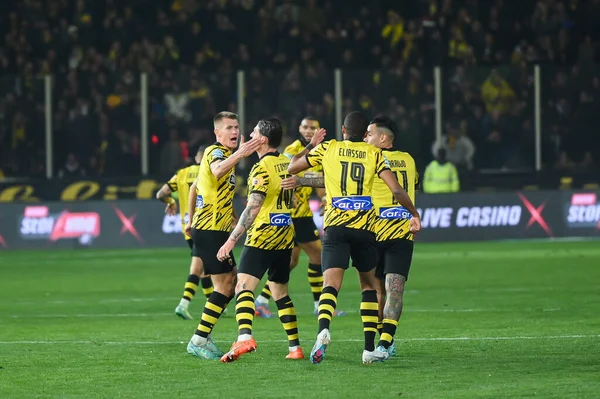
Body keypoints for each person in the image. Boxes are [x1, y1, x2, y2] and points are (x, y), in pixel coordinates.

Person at [287, 111, 421, 365]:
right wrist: (413, 213)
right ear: (365, 134)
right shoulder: (378, 155)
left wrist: (310, 149)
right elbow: (397, 188)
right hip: (368, 229)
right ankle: (372, 347)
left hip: (338, 227)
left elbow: (294, 165)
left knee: (331, 284)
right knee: (371, 287)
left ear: (344, 130)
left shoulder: (330, 148)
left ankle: (323, 330)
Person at [216, 117, 305, 363]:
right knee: (281, 293)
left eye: (254, 132)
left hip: (263, 236)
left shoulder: (261, 167)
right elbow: (293, 197)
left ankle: (244, 337)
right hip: (286, 236)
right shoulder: (286, 163)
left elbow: (253, 208)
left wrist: (231, 241)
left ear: (262, 140)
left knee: (242, 287)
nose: (249, 134)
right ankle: (295, 347)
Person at [185, 111, 266, 360]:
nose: (234, 132)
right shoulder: (215, 152)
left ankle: (201, 338)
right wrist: (241, 153)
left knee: (229, 285)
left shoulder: (228, 155)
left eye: (237, 127)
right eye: (229, 127)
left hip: (216, 229)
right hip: (209, 230)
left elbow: (201, 186)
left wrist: (231, 218)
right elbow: (217, 171)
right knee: (227, 285)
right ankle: (199, 339)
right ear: (217, 132)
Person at [254, 116, 345, 318]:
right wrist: (293, 195)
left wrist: (325, 198)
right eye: (304, 127)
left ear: (319, 130)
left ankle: (261, 301)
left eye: (312, 127)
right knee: (318, 256)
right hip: (295, 215)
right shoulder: (292, 151)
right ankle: (319, 304)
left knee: (291, 262)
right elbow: (284, 175)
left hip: (301, 213)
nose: (308, 130)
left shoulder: (322, 152)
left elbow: (321, 183)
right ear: (299, 128)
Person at [364, 116, 418, 357]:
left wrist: (301, 181)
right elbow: (411, 187)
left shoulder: (372, 158)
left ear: (383, 138)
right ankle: (386, 343)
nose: (366, 138)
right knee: (395, 290)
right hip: (402, 233)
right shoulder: (409, 160)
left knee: (377, 291)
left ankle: (382, 343)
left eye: (370, 134)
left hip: (375, 231)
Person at [155, 145, 215, 320]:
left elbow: (161, 194)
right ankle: (183, 303)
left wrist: (170, 202)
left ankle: (213, 302)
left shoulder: (181, 174)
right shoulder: (211, 172)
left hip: (186, 226)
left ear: (197, 157)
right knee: (198, 267)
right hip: (205, 224)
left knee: (204, 266)